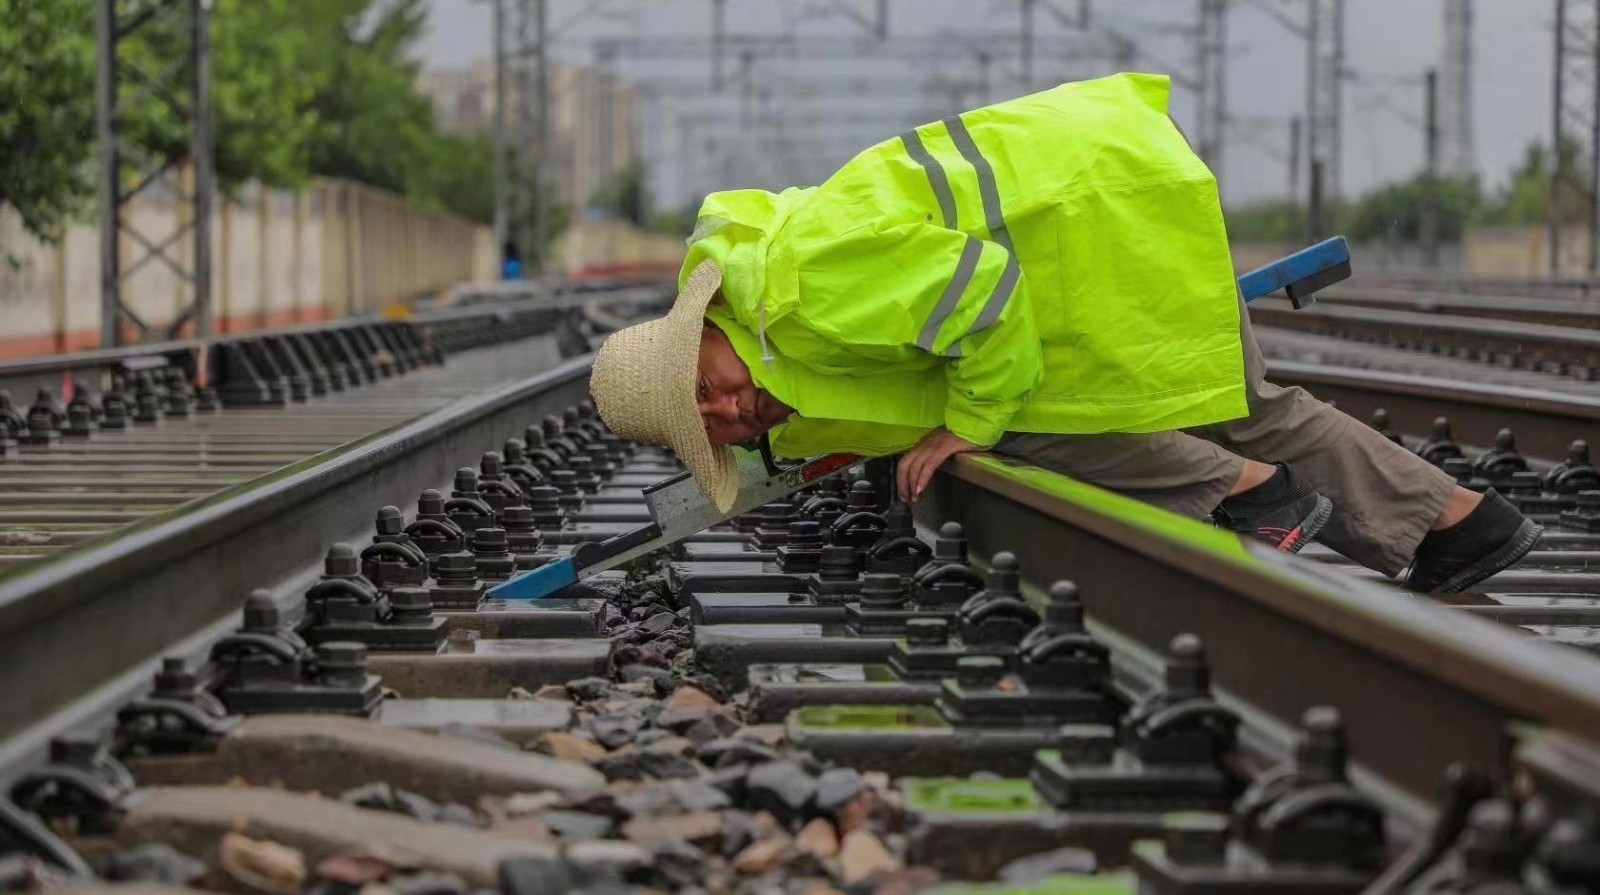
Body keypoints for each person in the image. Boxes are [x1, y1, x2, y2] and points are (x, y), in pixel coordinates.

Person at [589, 73, 1541, 593]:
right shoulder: (774, 349)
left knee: (1042, 416)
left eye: (706, 382)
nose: (728, 405)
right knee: (1243, 405)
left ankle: (1262, 500)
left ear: (706, 322)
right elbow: (836, 413)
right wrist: (711, 491)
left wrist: (963, 424)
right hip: (1091, 233)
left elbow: (988, 298)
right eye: (708, 422)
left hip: (1099, 222)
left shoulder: (807, 284)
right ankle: (1462, 524)